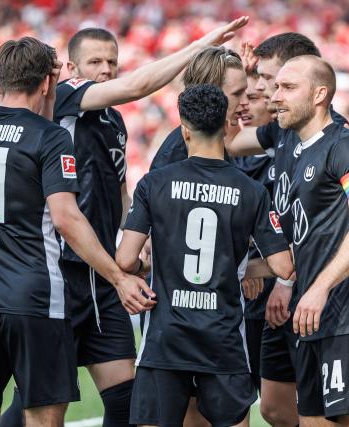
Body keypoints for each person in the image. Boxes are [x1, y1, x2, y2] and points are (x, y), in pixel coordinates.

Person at [0, 18, 248, 427]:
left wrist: (138, 235)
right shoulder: (66, 97)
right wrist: (201, 45)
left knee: (126, 400)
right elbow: (136, 87)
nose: (106, 70)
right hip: (60, 274)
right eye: (95, 62)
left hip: (102, 275)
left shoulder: (113, 121)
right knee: (35, 401)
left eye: (112, 62)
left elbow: (120, 192)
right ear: (73, 71)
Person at [0, 36, 143, 427]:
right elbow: (66, 218)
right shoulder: (50, 136)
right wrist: (118, 278)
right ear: (48, 82)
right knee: (42, 416)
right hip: (35, 297)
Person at [115, 84, 294, 427]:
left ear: (184, 128)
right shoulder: (251, 191)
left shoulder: (155, 183)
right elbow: (283, 265)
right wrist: (239, 270)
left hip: (166, 336)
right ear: (226, 126)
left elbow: (125, 261)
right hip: (223, 337)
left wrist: (146, 265)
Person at [225, 32, 349, 427]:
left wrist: (287, 279)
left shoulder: (332, 136)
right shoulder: (279, 128)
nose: (263, 88)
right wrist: (237, 86)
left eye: (271, 79)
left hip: (313, 290)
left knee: (329, 412)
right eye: (260, 80)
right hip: (279, 283)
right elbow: (229, 141)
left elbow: (330, 221)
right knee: (275, 407)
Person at [272, 55, 349, 426]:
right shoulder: (294, 153)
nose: (276, 96)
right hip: (311, 317)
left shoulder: (346, 145)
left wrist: (320, 286)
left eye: (288, 87)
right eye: (277, 86)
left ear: (320, 94)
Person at [232, 67, 276, 392]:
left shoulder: (287, 146)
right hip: (243, 290)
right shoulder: (232, 151)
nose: (246, 105)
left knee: (286, 403)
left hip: (280, 283)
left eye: (255, 97)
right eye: (241, 97)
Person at [149, 46, 249, 170]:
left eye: (246, 92)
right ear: (211, 91)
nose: (246, 101)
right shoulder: (174, 156)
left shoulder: (215, 138)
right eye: (237, 93)